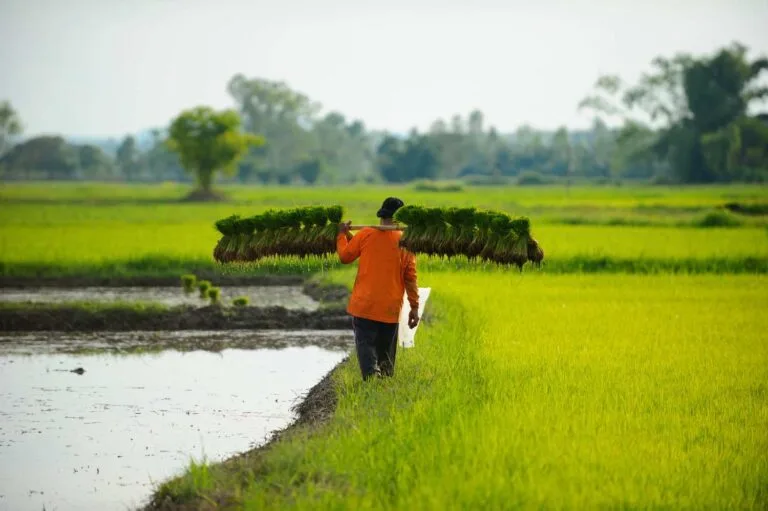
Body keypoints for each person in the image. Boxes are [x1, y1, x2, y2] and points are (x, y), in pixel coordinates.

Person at [336, 197, 420, 380]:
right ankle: (384, 387)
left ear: (382, 214)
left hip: (365, 306)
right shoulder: (406, 243)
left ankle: (372, 380)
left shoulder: (366, 234)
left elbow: (345, 255)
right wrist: (414, 307)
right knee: (386, 356)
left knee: (366, 347)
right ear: (400, 218)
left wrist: (342, 235)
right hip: (389, 308)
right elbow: (411, 278)